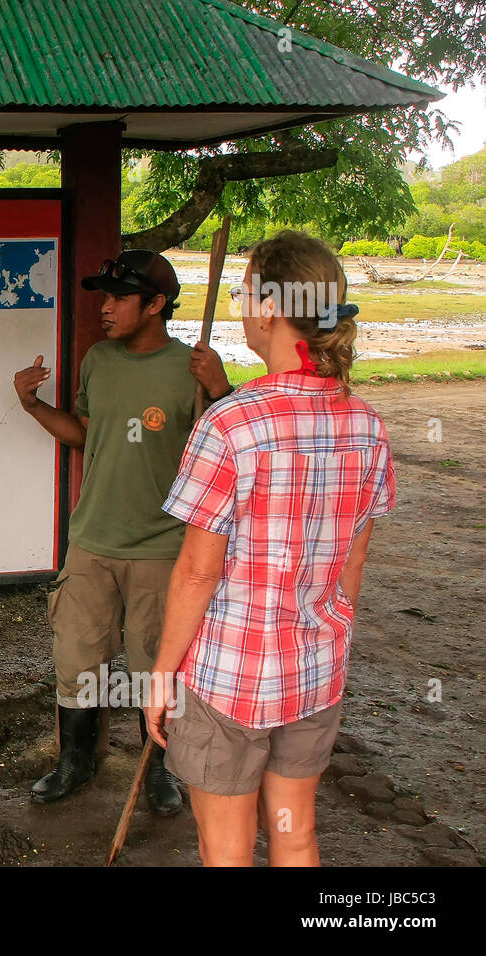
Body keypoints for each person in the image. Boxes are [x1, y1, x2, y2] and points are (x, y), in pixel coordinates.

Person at [144, 230, 395, 866]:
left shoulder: (232, 423)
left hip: (231, 677)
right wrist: (327, 635)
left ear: (269, 309)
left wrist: (163, 673)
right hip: (314, 672)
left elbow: (198, 574)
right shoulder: (365, 423)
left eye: (245, 290)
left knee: (226, 847)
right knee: (295, 831)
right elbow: (353, 564)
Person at [14, 250, 231, 813]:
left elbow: (230, 455)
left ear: (156, 304)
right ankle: (75, 762)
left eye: (118, 298)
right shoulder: (99, 360)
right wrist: (32, 405)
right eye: (103, 297)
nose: (105, 308)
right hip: (92, 543)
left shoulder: (194, 370)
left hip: (164, 548)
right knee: (76, 658)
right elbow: (86, 434)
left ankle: (158, 771)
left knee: (154, 666)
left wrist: (223, 394)